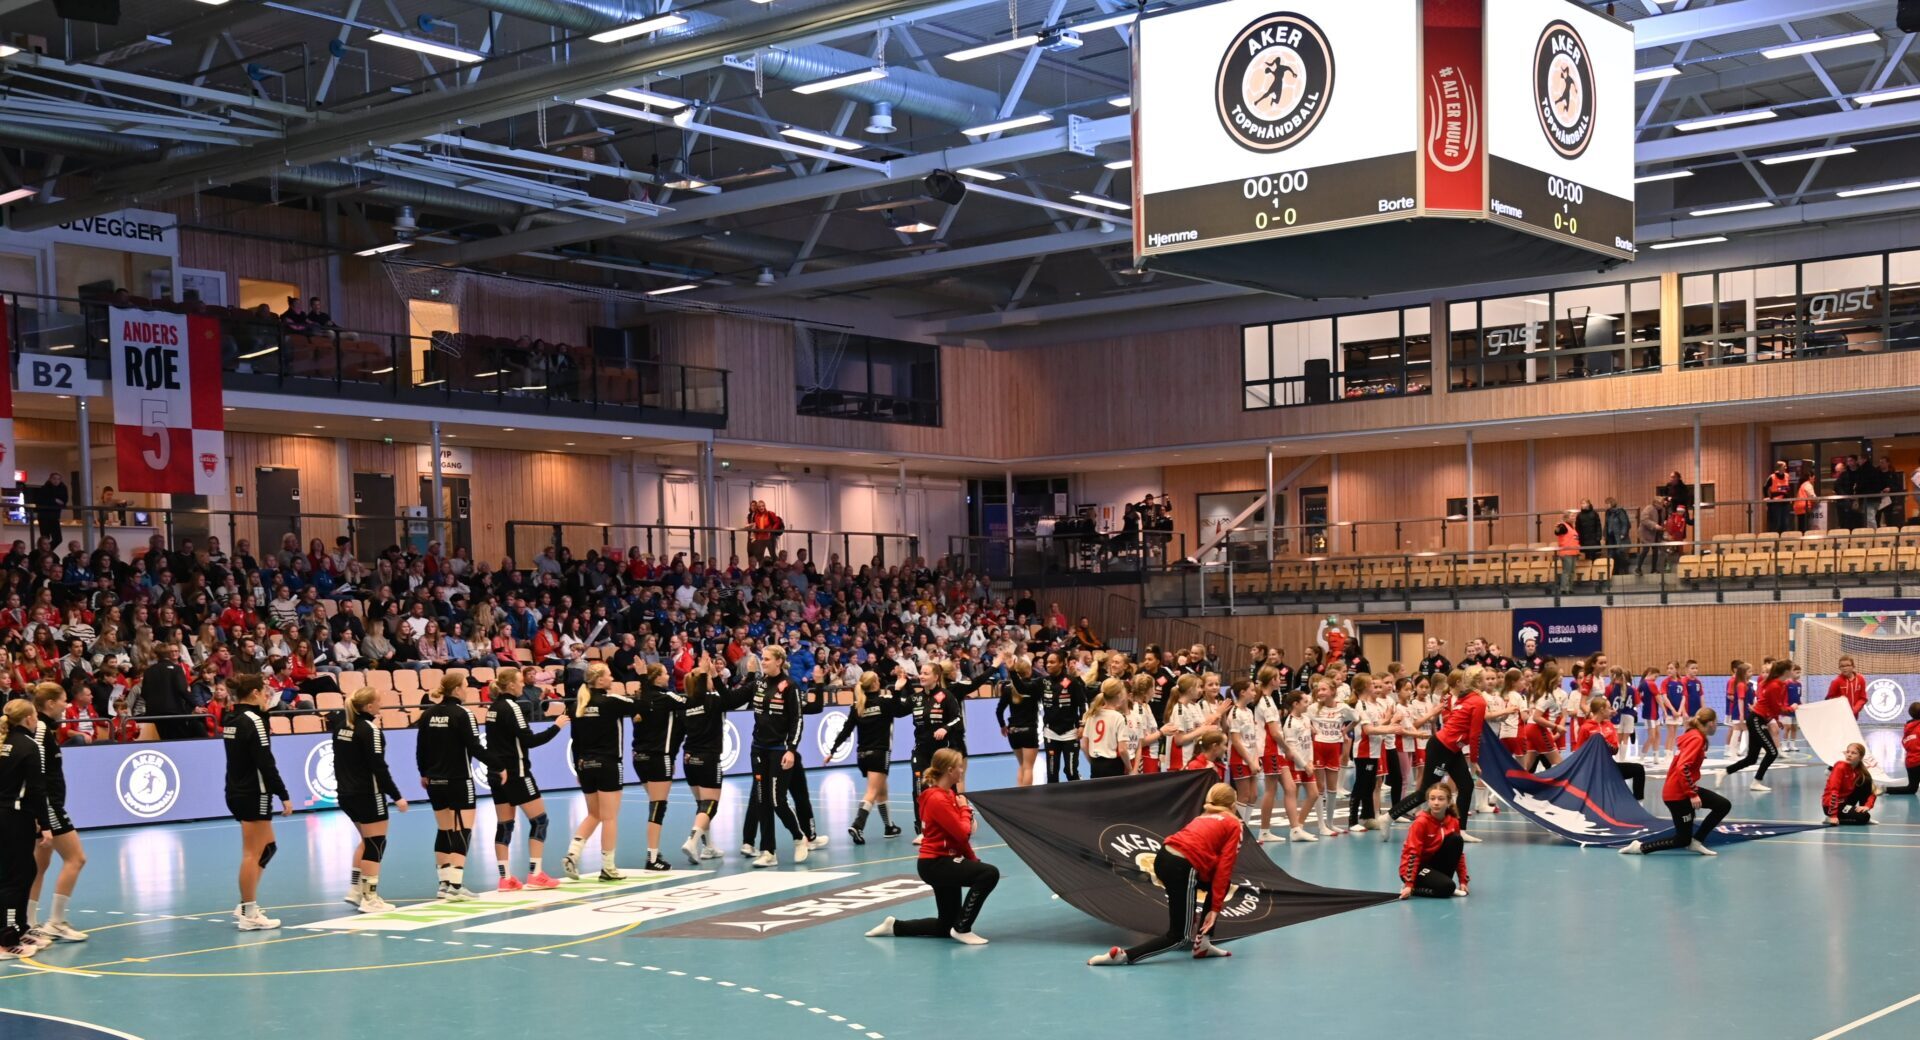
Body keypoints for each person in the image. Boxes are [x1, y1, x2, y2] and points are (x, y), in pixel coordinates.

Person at [1088, 781, 1242, 965]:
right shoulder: (1234, 823)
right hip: (1182, 866)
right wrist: (1215, 909)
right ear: (1233, 805)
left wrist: (1204, 904)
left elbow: (1208, 866)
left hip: (1164, 858)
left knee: (1215, 887)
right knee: (1180, 937)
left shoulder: (1203, 817)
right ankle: (1125, 956)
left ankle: (1203, 944)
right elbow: (1224, 867)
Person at [865, 748, 996, 945]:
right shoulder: (937, 799)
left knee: (945, 926)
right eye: (959, 767)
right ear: (950, 770)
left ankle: (895, 926)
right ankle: (962, 928)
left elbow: (959, 840)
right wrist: (965, 809)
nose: (962, 770)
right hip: (936, 863)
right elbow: (962, 833)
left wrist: (972, 860)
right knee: (989, 874)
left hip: (944, 860)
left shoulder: (948, 794)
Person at [416, 674, 503, 899]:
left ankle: (444, 884)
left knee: (444, 830)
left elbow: (421, 748)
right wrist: (498, 765)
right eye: (465, 686)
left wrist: (424, 773)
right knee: (463, 829)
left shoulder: (428, 714)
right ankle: (456, 886)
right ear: (456, 689)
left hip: (434, 781)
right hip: (459, 780)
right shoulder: (464, 714)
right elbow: (475, 747)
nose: (468, 690)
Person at [222, 675, 294, 929]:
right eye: (264, 692)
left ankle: (245, 902)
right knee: (253, 853)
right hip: (254, 792)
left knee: (268, 848)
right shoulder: (254, 721)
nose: (267, 696)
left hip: (237, 790)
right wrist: (283, 794)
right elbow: (265, 761)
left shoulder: (232, 717)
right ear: (254, 693)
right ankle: (249, 913)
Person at [486, 668, 567, 890]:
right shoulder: (512, 707)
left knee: (505, 825)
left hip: (497, 774)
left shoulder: (493, 708)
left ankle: (505, 878)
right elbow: (529, 741)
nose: (523, 684)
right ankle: (536, 874)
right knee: (540, 821)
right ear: (511, 685)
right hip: (517, 773)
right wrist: (557, 726)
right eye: (520, 681)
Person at [1391, 667, 1485, 843]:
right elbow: (1474, 734)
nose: (1488, 682)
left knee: (1466, 786)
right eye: (1486, 679)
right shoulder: (1477, 701)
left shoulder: (1467, 697)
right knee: (1425, 791)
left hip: (1452, 747)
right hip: (1442, 747)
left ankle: (1460, 830)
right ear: (1479, 682)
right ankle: (1389, 816)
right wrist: (1474, 761)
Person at [563, 662, 639, 881]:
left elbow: (575, 742)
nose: (612, 678)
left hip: (585, 765)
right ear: (599, 680)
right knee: (609, 817)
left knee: (594, 814)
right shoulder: (610, 702)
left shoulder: (577, 706)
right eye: (609, 675)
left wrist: (578, 769)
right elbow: (641, 705)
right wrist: (643, 677)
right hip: (608, 764)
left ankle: (572, 854)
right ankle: (608, 867)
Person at [333, 688, 406, 913]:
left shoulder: (342, 726)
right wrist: (396, 795)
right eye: (378, 701)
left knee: (366, 841)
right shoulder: (369, 730)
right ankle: (370, 898)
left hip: (346, 794)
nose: (381, 704)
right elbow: (378, 766)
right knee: (376, 843)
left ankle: (356, 890)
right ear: (369, 706)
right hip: (368, 794)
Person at [25, 684, 87, 943]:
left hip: (45, 804)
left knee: (39, 865)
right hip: (48, 805)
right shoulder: (40, 730)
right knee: (76, 858)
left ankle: (28, 923)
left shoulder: (45, 728)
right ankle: (56, 922)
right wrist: (41, 810)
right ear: (50, 703)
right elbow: (34, 770)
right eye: (63, 701)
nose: (66, 705)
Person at [1622, 708, 1726, 856]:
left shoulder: (1693, 735)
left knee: (1722, 805)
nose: (1716, 725)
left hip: (1682, 789)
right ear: (1710, 723)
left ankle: (1696, 842)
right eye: (1715, 722)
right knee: (1682, 840)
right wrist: (1692, 794)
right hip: (1677, 794)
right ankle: (1640, 847)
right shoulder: (1696, 738)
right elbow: (1682, 767)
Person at [829, 669, 909, 845]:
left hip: (862, 756)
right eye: (878, 679)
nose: (879, 681)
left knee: (881, 790)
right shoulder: (884, 702)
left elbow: (846, 730)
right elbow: (900, 710)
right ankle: (857, 825)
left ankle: (889, 827)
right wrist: (898, 689)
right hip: (880, 754)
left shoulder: (858, 705)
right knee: (872, 792)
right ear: (874, 684)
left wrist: (832, 750)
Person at [745, 645, 807, 867]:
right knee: (762, 801)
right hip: (758, 749)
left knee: (777, 800)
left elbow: (797, 720)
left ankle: (799, 836)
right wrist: (714, 677)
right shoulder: (759, 683)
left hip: (780, 750)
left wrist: (791, 749)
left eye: (767, 659)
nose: (763, 662)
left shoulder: (790, 686)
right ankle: (768, 851)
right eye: (762, 658)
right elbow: (732, 698)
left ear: (779, 661)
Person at [0, 699, 51, 959]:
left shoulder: (5, 742)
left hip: (7, 816)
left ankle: (19, 929)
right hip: (15, 817)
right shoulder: (29, 746)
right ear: (29, 718)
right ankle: (6, 940)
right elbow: (37, 789)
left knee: (24, 871)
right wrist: (45, 824)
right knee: (15, 877)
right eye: (35, 716)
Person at [631, 663, 686, 871]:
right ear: (656, 678)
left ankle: (653, 851)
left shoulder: (639, 699)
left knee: (654, 803)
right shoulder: (666, 697)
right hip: (658, 758)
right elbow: (690, 703)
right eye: (665, 673)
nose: (668, 676)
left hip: (639, 758)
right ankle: (652, 857)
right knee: (658, 807)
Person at [1722, 659, 1795, 793]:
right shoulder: (1775, 685)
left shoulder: (1779, 684)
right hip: (1757, 720)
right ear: (1786, 671)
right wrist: (1791, 709)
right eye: (1791, 669)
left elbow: (1772, 706)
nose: (1792, 671)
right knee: (1772, 752)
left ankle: (1724, 772)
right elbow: (1777, 707)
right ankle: (1756, 782)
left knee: (1751, 758)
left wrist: (1775, 719)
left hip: (1761, 719)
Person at [1397, 783, 1468, 899]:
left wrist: (1463, 881)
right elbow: (1412, 853)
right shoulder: (1421, 822)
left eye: (1441, 799)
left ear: (1448, 801)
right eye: (1432, 798)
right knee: (1447, 887)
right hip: (1416, 868)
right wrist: (1409, 883)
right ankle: (1415, 888)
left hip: (1433, 864)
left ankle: (1443, 883)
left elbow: (1459, 854)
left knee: (1456, 840)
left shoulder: (1453, 821)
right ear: (1428, 801)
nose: (1436, 803)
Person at [1577, 696, 1645, 800]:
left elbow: (1615, 750)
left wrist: (1605, 744)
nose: (1611, 711)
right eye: (1609, 708)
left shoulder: (1609, 725)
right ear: (1602, 710)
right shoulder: (1585, 728)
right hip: (1592, 769)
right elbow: (1579, 753)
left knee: (1638, 769)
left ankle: (1638, 803)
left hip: (1609, 767)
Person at [1040, 650, 1088, 784]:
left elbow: (1082, 705)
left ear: (1061, 663)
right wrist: (1013, 672)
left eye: (1052, 662)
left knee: (1071, 772)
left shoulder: (1072, 682)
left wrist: (1082, 725)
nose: (1048, 665)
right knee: (1052, 774)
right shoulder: (1043, 682)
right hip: (1050, 733)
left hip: (1070, 733)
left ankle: (1077, 794)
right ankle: (1053, 797)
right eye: (1047, 662)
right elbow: (1023, 688)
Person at [996, 653, 1041, 786]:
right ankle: (1026, 795)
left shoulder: (1008, 689)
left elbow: (999, 710)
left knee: (1021, 765)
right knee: (1028, 768)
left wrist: (1002, 725)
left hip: (1013, 731)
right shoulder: (1033, 686)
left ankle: (1019, 791)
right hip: (1028, 730)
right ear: (1028, 671)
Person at [1082, 679, 1131, 778]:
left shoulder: (1092, 715)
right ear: (1119, 695)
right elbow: (1122, 749)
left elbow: (1083, 745)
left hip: (1095, 764)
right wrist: (1129, 767)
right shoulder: (1118, 717)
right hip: (1113, 766)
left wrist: (1092, 763)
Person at [1822, 743, 1878, 826]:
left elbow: (1872, 791)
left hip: (1845, 802)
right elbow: (1833, 791)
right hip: (1831, 805)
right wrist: (1833, 815)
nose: (1849, 755)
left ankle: (1861, 812)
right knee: (1863, 817)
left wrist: (1867, 806)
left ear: (1860, 757)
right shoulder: (1840, 767)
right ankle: (1830, 818)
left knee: (1865, 780)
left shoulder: (1860, 772)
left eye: (1853, 753)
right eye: (1848, 752)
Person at [1888, 702, 1920, 796]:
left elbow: (1905, 743)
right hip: (1917, 762)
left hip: (1911, 763)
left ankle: (1885, 789)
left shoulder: (1908, 727)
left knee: (1911, 788)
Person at [34, 473, 68, 548]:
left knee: (58, 539)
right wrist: (55, 500)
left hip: (54, 516)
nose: (56, 481)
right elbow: (40, 501)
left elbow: (64, 502)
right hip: (44, 516)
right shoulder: (44, 488)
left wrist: (53, 501)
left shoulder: (63, 489)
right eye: (54, 478)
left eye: (58, 479)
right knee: (45, 538)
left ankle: (47, 551)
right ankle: (45, 551)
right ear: (50, 479)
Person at [1765, 461, 1794, 533]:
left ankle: (1784, 538)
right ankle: (1775, 538)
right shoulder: (1772, 477)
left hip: (1785, 502)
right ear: (1779, 467)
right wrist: (1766, 497)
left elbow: (1788, 488)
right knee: (1776, 523)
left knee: (1786, 523)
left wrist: (1790, 497)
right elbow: (1765, 487)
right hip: (1776, 503)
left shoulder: (1787, 476)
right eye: (1784, 466)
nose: (1786, 468)